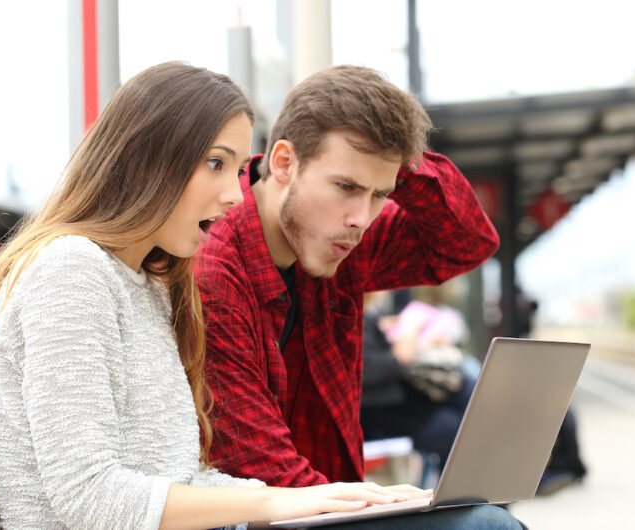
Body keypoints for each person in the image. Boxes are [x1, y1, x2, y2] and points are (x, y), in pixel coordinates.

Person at [0, 62, 517, 530]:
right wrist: (278, 501)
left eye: (238, 167)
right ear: (148, 159)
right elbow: (89, 495)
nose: (233, 194)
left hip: (266, 510)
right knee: (484, 527)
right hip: (261, 511)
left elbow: (183, 473)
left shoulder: (147, 285)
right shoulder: (78, 271)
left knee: (479, 521)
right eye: (217, 165)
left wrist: (392, 144)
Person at [195, 65, 500, 489]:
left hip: (332, 501)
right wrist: (380, 505)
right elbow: (261, 466)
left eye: (380, 195)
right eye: (346, 186)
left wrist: (397, 162)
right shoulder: (216, 271)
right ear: (284, 162)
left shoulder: (342, 237)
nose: (361, 218)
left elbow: (466, 243)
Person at [359, 292, 475, 477]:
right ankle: (467, 497)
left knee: (472, 401)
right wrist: (402, 352)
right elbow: (367, 371)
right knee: (459, 433)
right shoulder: (355, 318)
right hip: (385, 410)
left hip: (405, 399)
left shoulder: (371, 315)